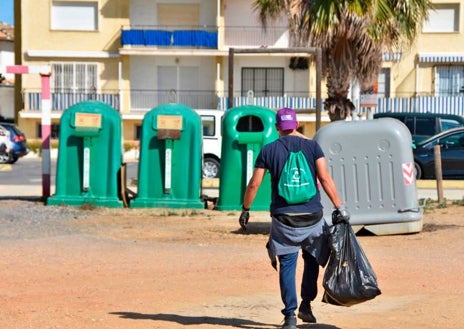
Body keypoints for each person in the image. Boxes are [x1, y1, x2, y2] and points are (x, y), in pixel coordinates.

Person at [239, 107, 350, 329]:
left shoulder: (268, 150)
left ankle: (289, 315)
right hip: (312, 217)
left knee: (287, 264)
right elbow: (325, 179)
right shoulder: (312, 147)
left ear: (277, 127)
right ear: (297, 124)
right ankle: (306, 305)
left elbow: (254, 183)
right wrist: (340, 207)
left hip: (284, 219)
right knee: (312, 260)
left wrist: (246, 208)